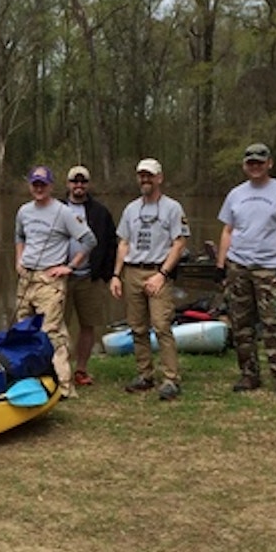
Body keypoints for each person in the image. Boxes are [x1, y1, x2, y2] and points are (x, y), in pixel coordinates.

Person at [216, 143, 276, 400]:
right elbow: (227, 231)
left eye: (259, 161)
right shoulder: (235, 194)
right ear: (245, 165)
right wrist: (221, 266)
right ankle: (249, 374)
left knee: (273, 325)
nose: (255, 166)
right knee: (241, 325)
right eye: (250, 162)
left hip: (269, 268)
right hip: (238, 266)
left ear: (269, 163)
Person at [109, 158, 190, 401]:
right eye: (141, 176)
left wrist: (162, 274)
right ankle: (145, 374)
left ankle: (171, 379)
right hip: (132, 271)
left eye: (150, 176)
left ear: (159, 178)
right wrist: (116, 274)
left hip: (158, 272)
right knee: (137, 327)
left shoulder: (173, 208)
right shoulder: (131, 209)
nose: (145, 180)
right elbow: (123, 243)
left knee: (162, 325)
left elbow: (180, 243)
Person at [14, 165, 96, 400]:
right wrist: (18, 261)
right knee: (23, 328)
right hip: (26, 278)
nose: (38, 188)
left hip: (50, 280)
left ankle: (64, 385)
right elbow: (19, 236)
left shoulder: (63, 213)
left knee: (52, 331)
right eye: (35, 184)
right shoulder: (24, 212)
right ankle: (29, 378)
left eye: (43, 184)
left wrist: (70, 267)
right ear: (30, 186)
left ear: (50, 186)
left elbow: (89, 240)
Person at [63, 165, 118, 387]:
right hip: (60, 278)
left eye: (83, 182)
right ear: (67, 184)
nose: (79, 186)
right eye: (74, 182)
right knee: (57, 326)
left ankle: (81, 370)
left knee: (88, 325)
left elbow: (110, 244)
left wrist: (107, 274)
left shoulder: (100, 212)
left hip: (89, 278)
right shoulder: (57, 209)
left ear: (88, 185)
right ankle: (59, 369)